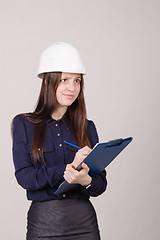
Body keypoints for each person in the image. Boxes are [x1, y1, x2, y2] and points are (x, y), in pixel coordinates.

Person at [12, 42, 107, 240]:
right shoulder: (24, 124)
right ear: (47, 81)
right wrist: (68, 168)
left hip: (84, 221)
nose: (71, 88)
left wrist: (86, 180)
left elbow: (101, 184)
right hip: (44, 222)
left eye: (77, 81)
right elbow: (25, 177)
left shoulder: (87, 127)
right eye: (64, 80)